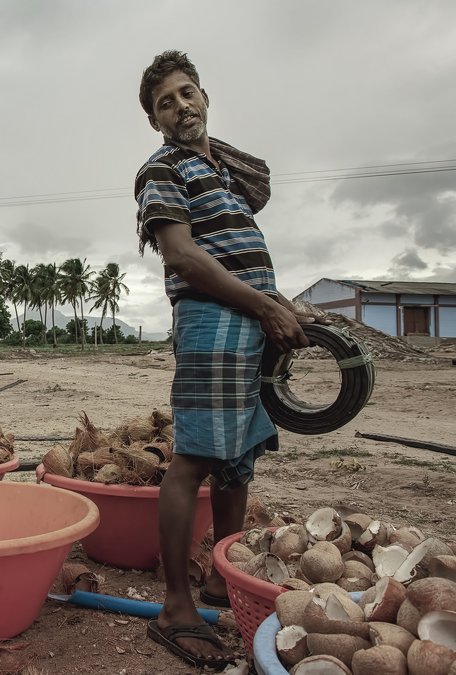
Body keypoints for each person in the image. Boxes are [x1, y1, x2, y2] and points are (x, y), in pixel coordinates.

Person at [134, 50, 322, 669]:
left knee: (237, 461)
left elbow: (260, 181)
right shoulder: (162, 169)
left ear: (205, 95)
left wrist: (279, 307)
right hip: (214, 319)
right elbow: (184, 257)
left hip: (251, 318)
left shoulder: (222, 173)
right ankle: (176, 607)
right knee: (193, 460)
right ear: (154, 121)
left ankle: (223, 577)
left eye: (189, 93)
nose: (181, 106)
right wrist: (264, 307)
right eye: (166, 102)